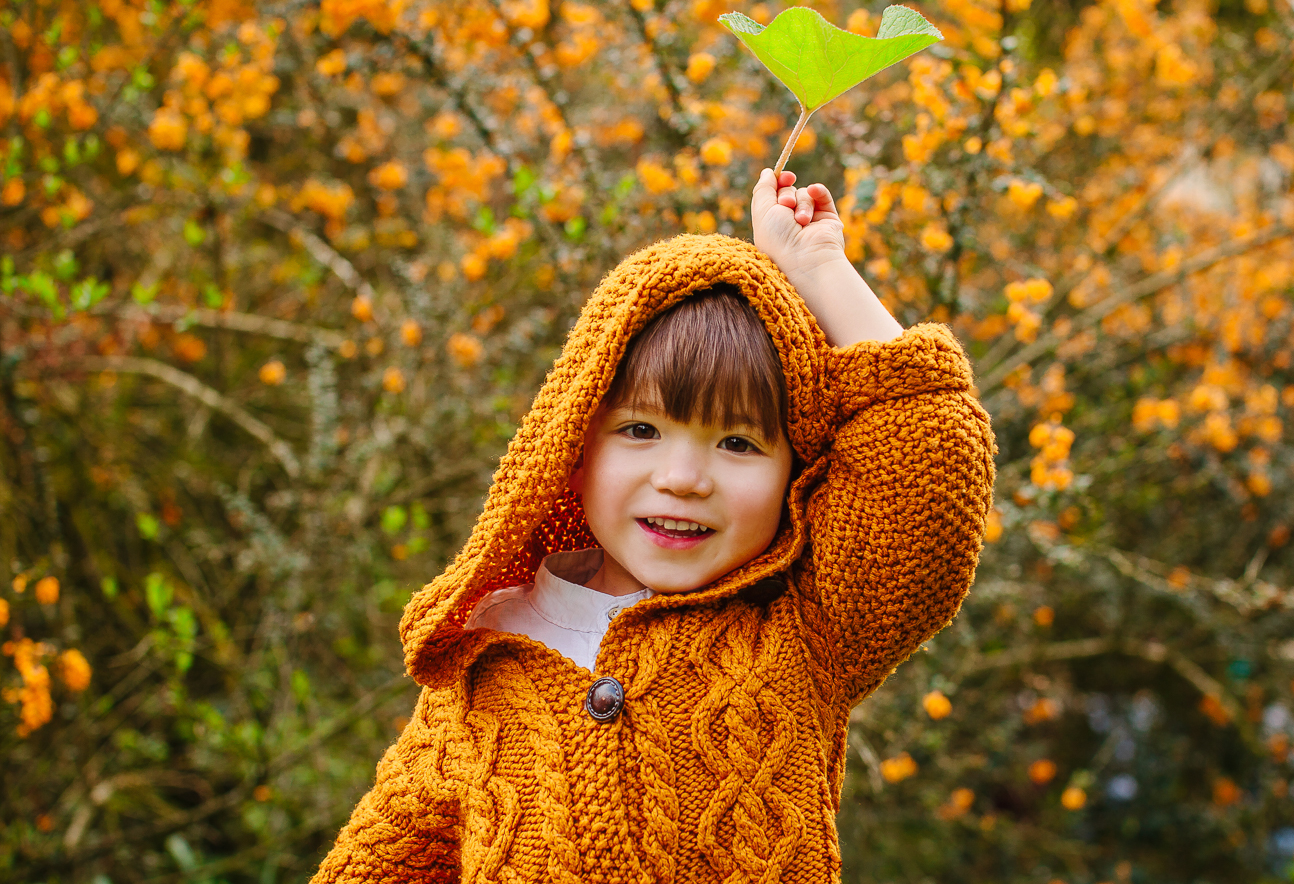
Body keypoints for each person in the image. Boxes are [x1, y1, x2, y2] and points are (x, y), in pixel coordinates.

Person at [312, 168, 996, 883]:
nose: (682, 478)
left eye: (738, 443)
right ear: (572, 448)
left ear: (792, 473)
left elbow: (929, 454)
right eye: (641, 429)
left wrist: (820, 269)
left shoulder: (806, 622)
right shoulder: (485, 656)